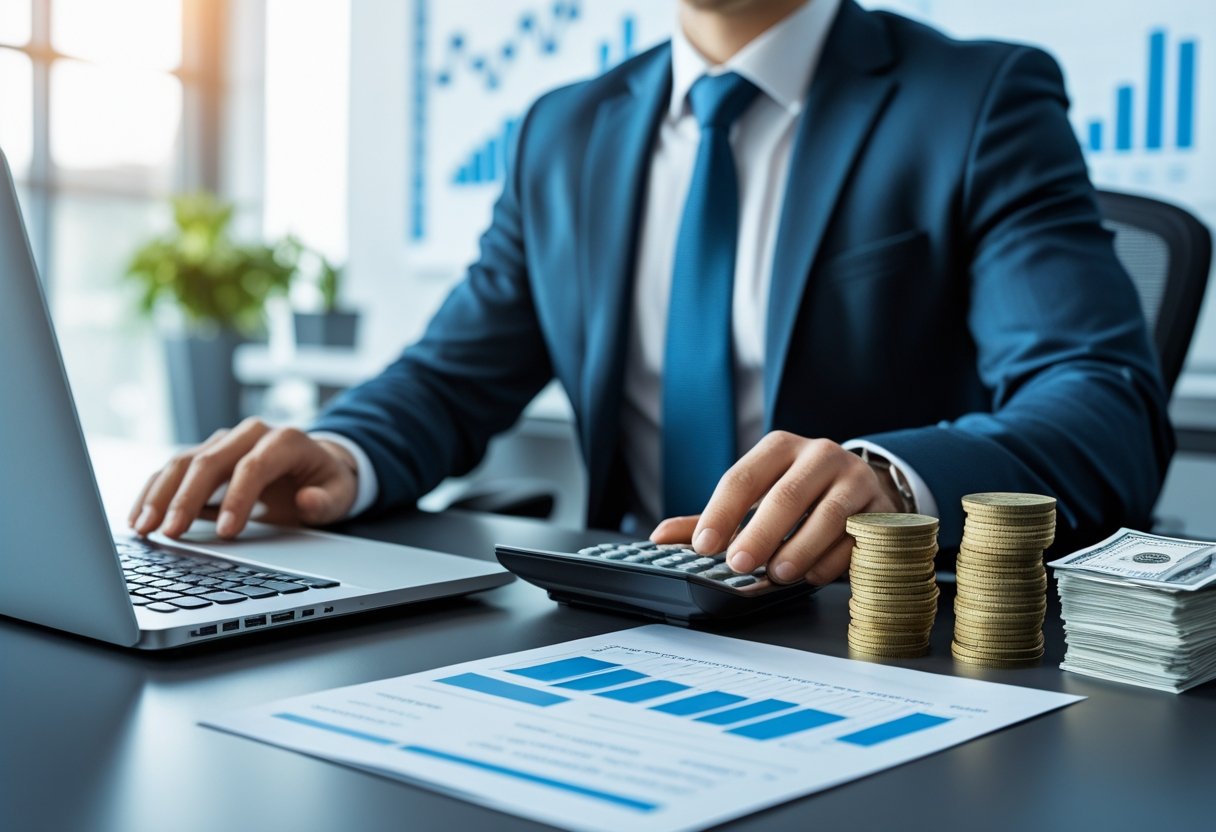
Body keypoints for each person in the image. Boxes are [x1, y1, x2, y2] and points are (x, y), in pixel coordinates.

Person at [130, 0, 1173, 586]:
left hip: (865, 633)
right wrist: (343, 453)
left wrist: (893, 480)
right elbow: (451, 380)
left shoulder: (975, 99)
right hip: (615, 607)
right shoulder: (562, 132)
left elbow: (1099, 402)